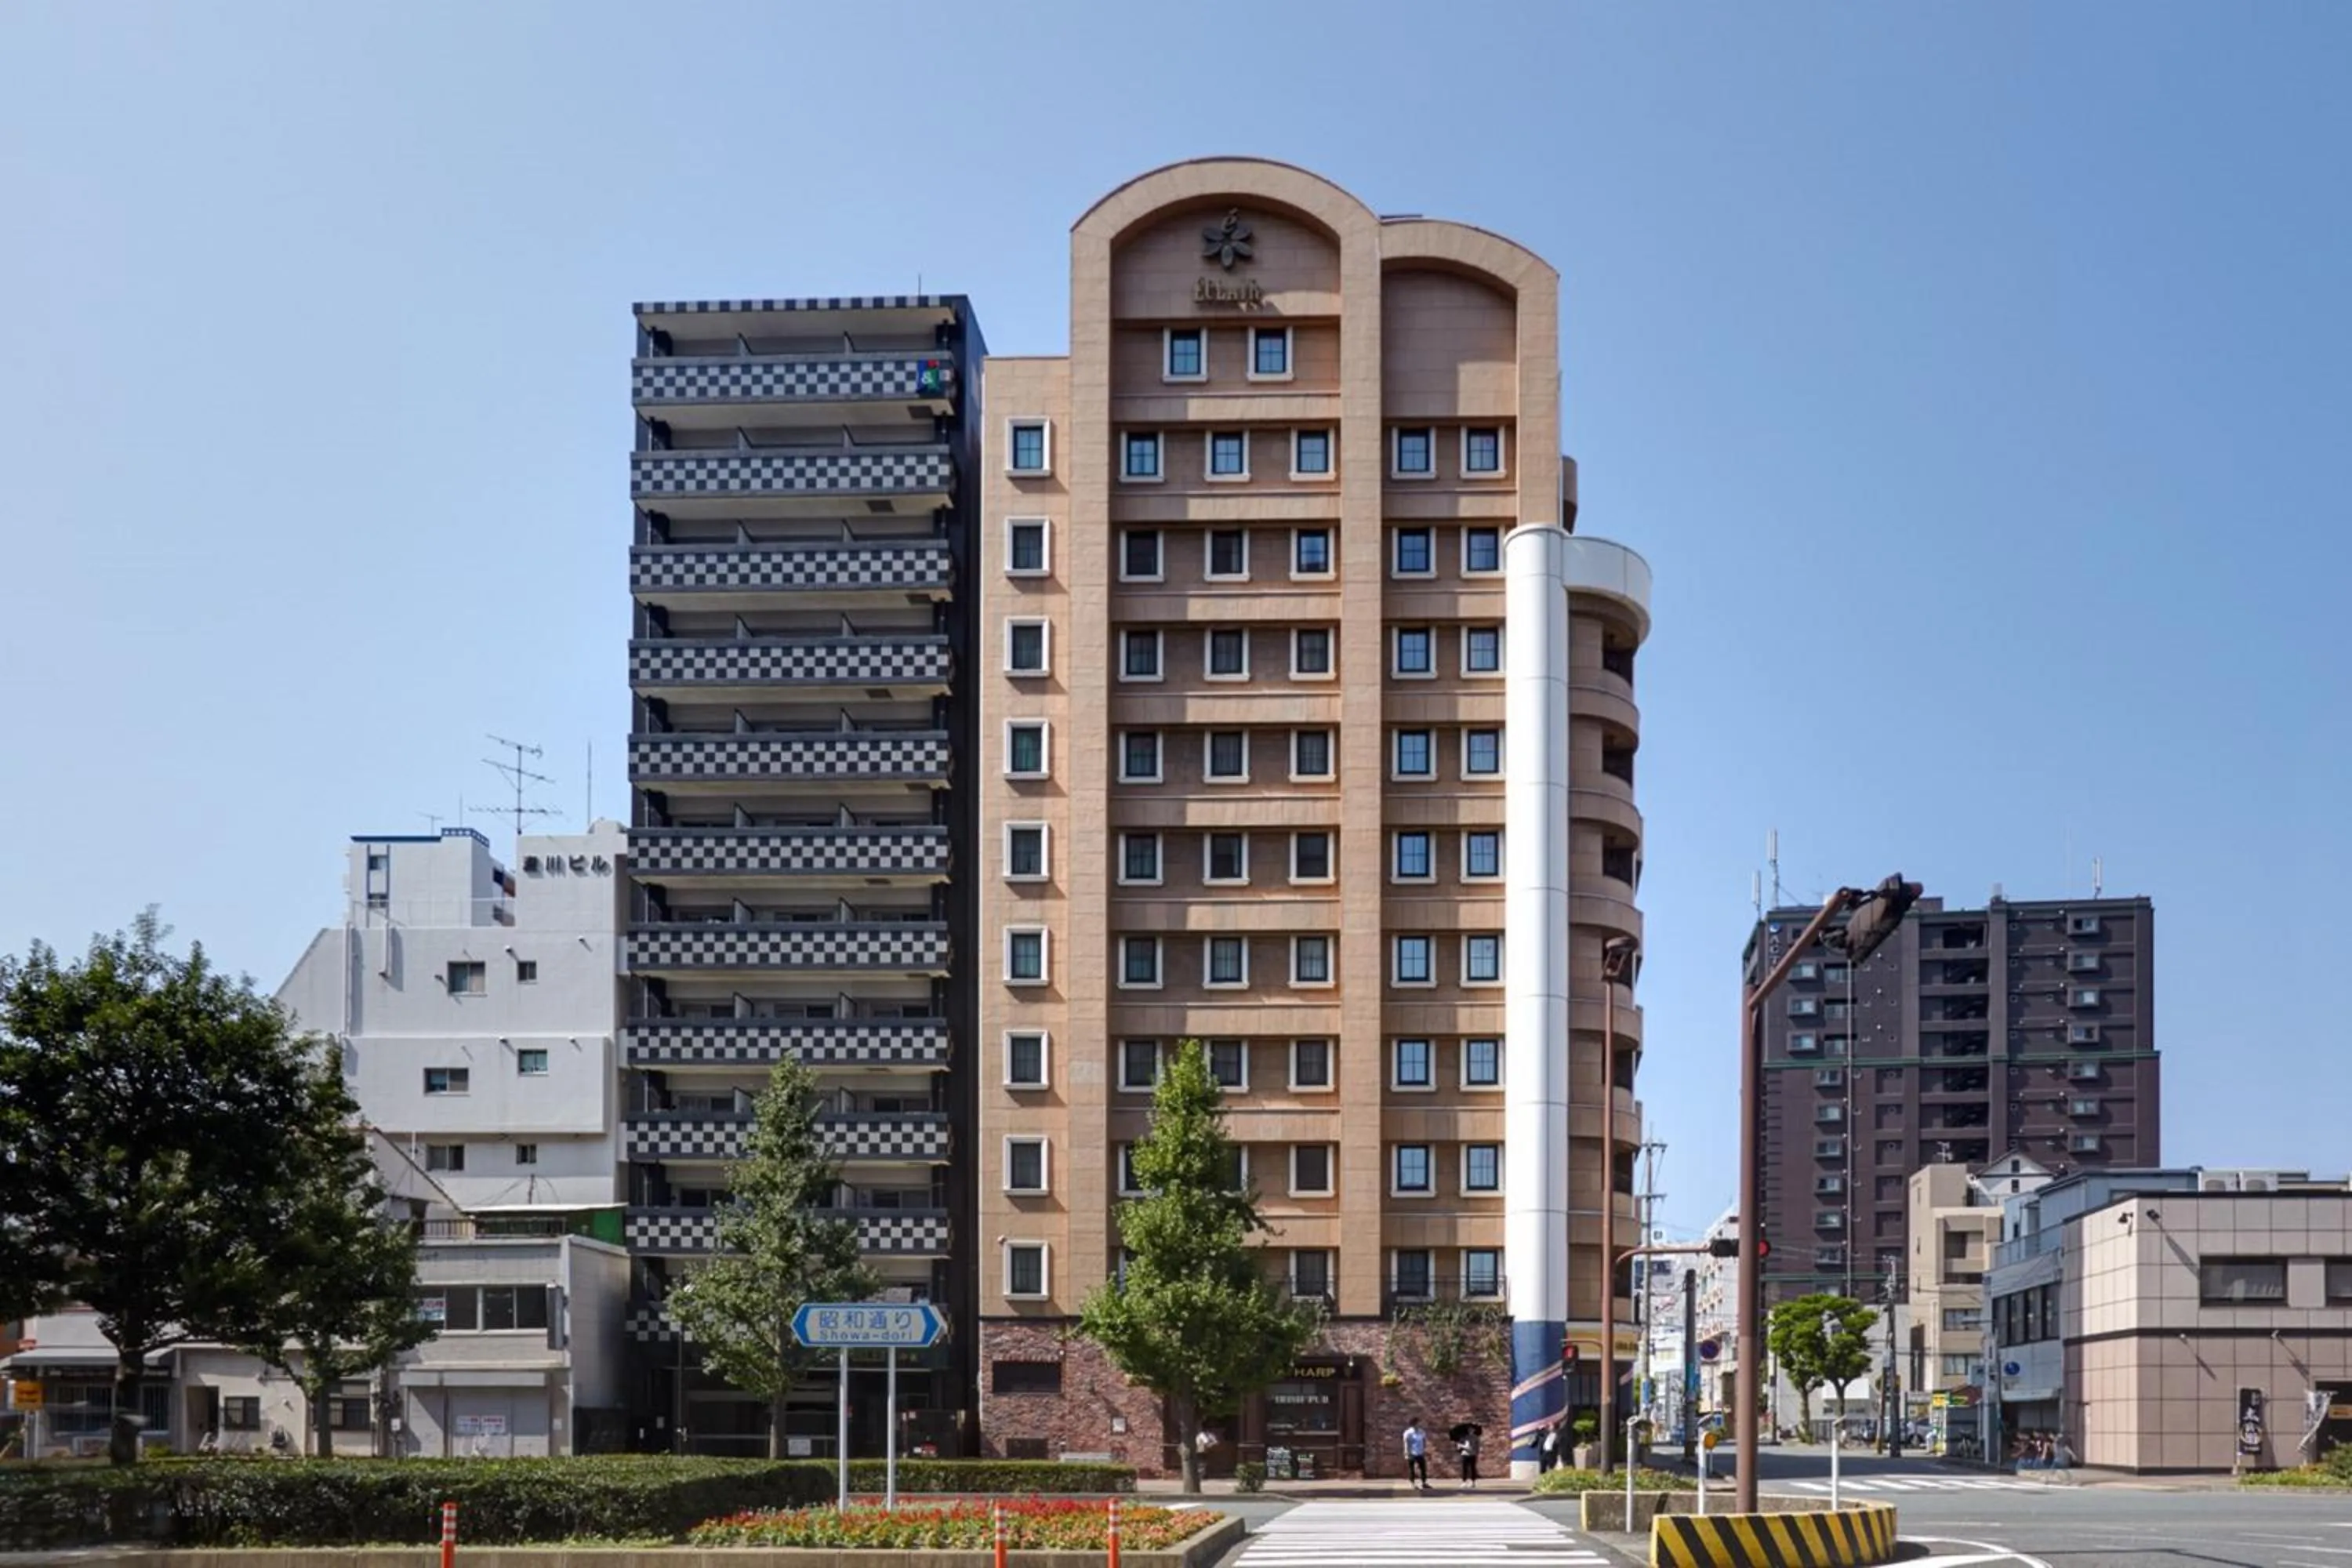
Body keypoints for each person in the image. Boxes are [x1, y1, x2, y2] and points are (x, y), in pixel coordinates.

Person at [1403, 1417, 1429, 1490]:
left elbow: (1424, 1441)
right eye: (1418, 1423)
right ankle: (1412, 1483)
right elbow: (1406, 1443)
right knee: (1412, 1469)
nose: (1419, 1424)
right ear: (1414, 1424)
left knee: (1423, 1468)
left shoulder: (1421, 1432)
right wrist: (1407, 1453)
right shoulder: (1408, 1433)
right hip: (1412, 1453)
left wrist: (1424, 1450)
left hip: (1420, 1452)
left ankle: (1424, 1483)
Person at [1459, 1425, 1481, 1489]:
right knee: (1464, 1468)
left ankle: (1473, 1482)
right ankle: (1464, 1481)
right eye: (1469, 1430)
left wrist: (1477, 1452)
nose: (1470, 1431)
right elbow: (1459, 1445)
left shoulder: (1476, 1437)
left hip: (1472, 1454)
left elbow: (1478, 1446)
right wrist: (1463, 1447)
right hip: (1465, 1454)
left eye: (1472, 1430)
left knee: (1472, 1468)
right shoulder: (1464, 1437)